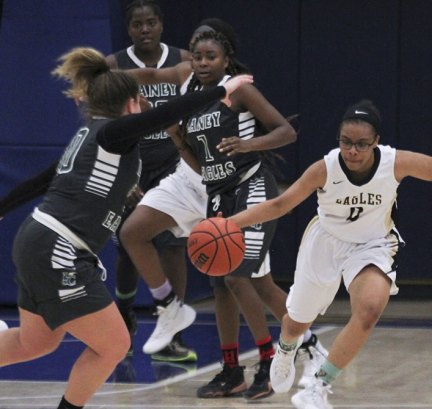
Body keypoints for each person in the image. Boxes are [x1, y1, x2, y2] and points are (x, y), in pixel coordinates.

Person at [0, 46, 251, 409]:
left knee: (34, 343)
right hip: (58, 247)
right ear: (131, 103)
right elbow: (166, 113)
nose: (147, 107)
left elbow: (43, 180)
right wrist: (220, 91)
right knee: (115, 344)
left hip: (38, 239)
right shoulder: (113, 132)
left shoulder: (92, 136)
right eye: (142, 101)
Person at [227, 99, 432, 409]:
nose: (352, 150)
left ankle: (317, 385)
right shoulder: (325, 168)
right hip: (325, 242)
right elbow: (279, 205)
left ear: (376, 142)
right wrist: (227, 224)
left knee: (368, 311)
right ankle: (285, 349)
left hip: (372, 245)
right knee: (295, 323)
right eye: (346, 142)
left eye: (361, 144)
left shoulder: (394, 163)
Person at [121, 24, 326, 400]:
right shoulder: (192, 99)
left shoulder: (239, 89)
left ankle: (269, 359)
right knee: (227, 284)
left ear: (226, 59)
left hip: (253, 187)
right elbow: (201, 166)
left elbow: (285, 132)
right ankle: (233, 369)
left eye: (210, 57)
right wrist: (173, 133)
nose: (202, 63)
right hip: (219, 194)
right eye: (197, 57)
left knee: (236, 278)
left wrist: (248, 144)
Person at [106, 0, 196, 362]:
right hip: (132, 165)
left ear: (161, 25)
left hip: (174, 165)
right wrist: (123, 177)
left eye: (151, 22)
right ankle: (125, 317)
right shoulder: (114, 66)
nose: (144, 29)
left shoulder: (185, 59)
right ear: (129, 30)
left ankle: (171, 330)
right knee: (128, 244)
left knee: (175, 245)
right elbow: (104, 122)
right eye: (137, 24)